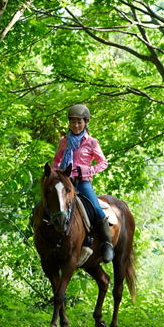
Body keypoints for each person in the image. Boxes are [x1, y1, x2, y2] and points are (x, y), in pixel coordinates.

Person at [51, 104, 113, 263]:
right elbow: (56, 162)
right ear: (69, 123)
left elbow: (103, 163)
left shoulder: (92, 142)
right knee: (47, 204)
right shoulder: (63, 142)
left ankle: (107, 244)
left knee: (97, 209)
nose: (76, 125)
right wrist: (53, 175)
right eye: (73, 122)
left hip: (82, 183)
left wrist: (87, 170)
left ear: (85, 123)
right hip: (65, 183)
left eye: (80, 122)